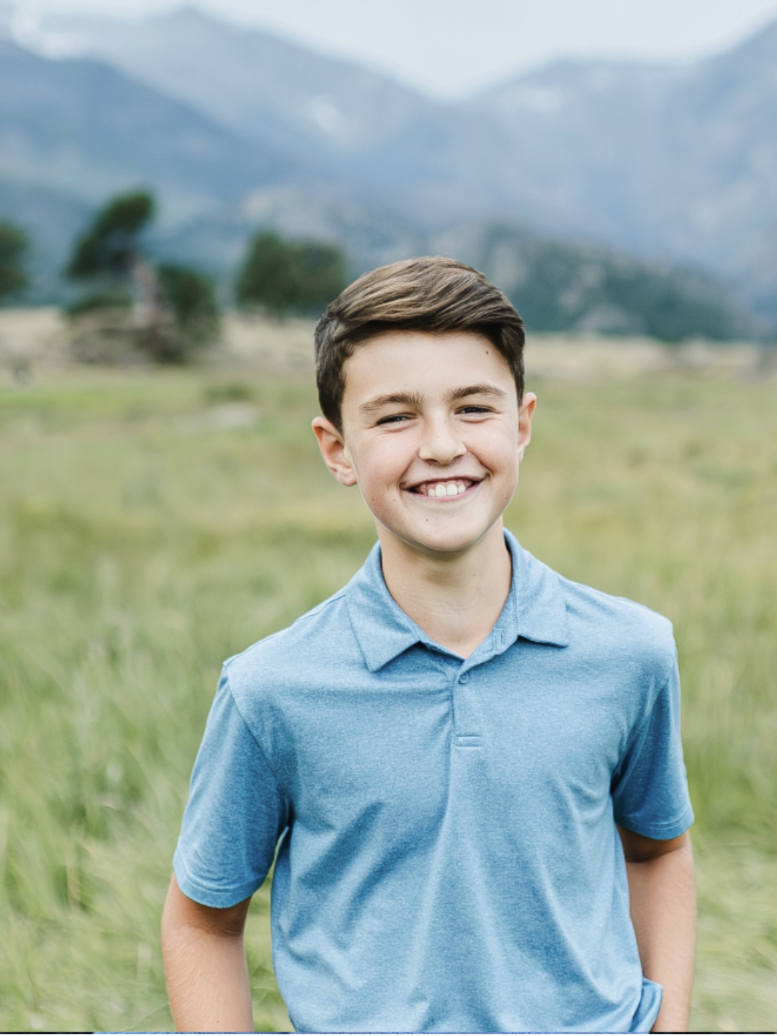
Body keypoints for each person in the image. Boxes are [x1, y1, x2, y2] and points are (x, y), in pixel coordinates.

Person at [161, 256, 696, 1033]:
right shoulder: (272, 689)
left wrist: (669, 1021)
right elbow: (203, 920)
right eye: (394, 416)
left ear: (522, 424)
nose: (442, 446)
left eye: (474, 408)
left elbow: (656, 852)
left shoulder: (631, 652)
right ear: (336, 448)